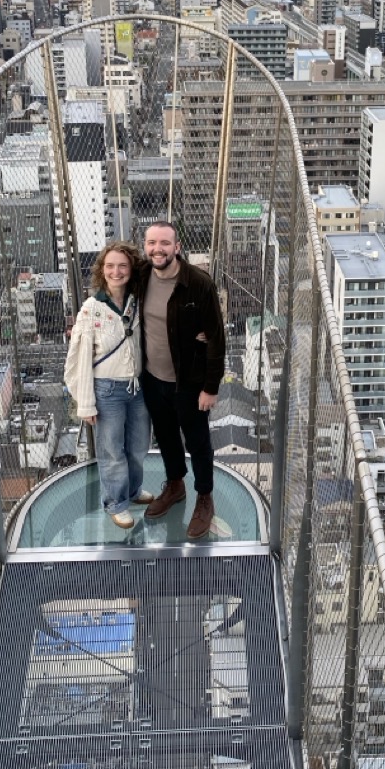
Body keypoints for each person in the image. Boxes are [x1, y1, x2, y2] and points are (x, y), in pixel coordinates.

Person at [137, 221, 225, 539]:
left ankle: (204, 497)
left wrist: (210, 387)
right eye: (151, 243)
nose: (157, 249)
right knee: (166, 436)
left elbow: (215, 338)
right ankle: (175, 485)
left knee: (198, 442)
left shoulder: (198, 283)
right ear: (145, 246)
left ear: (177, 247)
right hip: (152, 378)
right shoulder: (141, 277)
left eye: (164, 243)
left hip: (189, 382)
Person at [63, 241, 152, 530]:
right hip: (107, 390)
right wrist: (85, 402)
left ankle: (133, 491)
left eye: (123, 266)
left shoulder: (138, 301)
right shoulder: (92, 308)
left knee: (138, 446)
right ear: (102, 270)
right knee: (112, 450)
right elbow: (80, 360)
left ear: (131, 269)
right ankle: (116, 503)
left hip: (136, 387)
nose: (116, 271)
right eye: (110, 266)